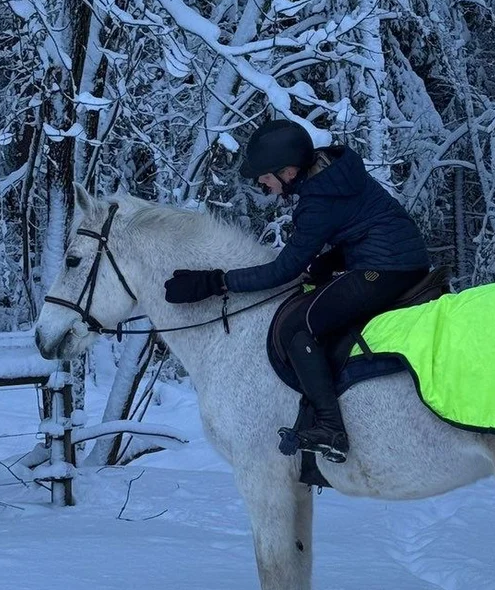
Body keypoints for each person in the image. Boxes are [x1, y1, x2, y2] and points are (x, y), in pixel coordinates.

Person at [164, 119, 429, 462]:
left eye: (264, 175)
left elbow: (282, 270)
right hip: (397, 260)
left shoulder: (317, 200)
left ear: (288, 171)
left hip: (383, 270)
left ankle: (330, 427)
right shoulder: (334, 174)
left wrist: (216, 281)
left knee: (296, 326)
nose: (260, 182)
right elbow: (364, 224)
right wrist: (329, 260)